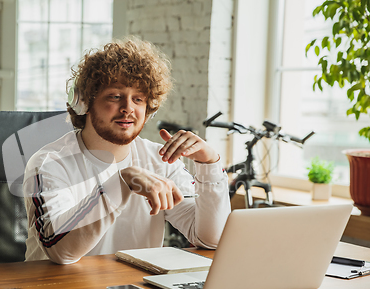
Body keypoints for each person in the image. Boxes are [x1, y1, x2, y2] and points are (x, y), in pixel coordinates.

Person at [23, 36, 231, 264]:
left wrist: (209, 164)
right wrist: (122, 182)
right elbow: (61, 251)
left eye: (139, 99)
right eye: (115, 96)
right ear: (83, 102)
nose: (128, 109)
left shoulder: (160, 160)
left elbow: (210, 240)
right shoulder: (49, 164)